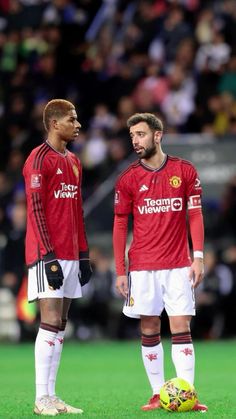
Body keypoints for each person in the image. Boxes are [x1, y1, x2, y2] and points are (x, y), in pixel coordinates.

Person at [113, 112, 208, 412]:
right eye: (132, 136)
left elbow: (195, 215)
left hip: (179, 263)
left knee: (181, 326)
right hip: (141, 267)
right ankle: (157, 393)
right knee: (150, 327)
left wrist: (199, 257)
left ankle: (188, 394)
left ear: (157, 135)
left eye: (140, 134)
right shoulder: (128, 178)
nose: (135, 141)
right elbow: (119, 225)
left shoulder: (185, 171)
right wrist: (120, 270)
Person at [23, 99, 92, 416]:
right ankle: (41, 398)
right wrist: (48, 256)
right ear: (54, 123)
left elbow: (77, 211)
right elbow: (35, 211)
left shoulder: (75, 161)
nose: (78, 124)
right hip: (45, 254)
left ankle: (52, 395)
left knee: (61, 324)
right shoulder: (38, 160)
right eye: (72, 119)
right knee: (49, 322)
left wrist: (84, 254)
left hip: (69, 254)